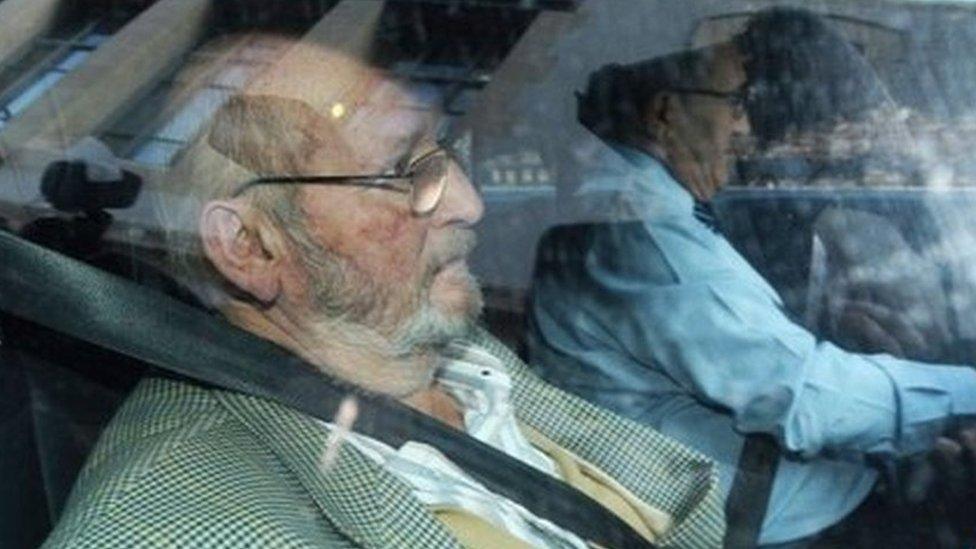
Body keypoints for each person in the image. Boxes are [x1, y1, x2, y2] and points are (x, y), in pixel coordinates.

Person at [42, 38, 726, 548]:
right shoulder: (168, 525)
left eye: (443, 154)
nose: (468, 202)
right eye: (402, 171)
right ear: (250, 247)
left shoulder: (442, 351)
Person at [527, 8, 976, 547]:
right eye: (734, 102)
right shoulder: (645, 239)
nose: (745, 127)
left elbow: (756, 359)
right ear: (666, 112)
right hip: (771, 517)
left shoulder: (639, 211)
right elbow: (809, 402)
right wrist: (965, 392)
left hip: (744, 476)